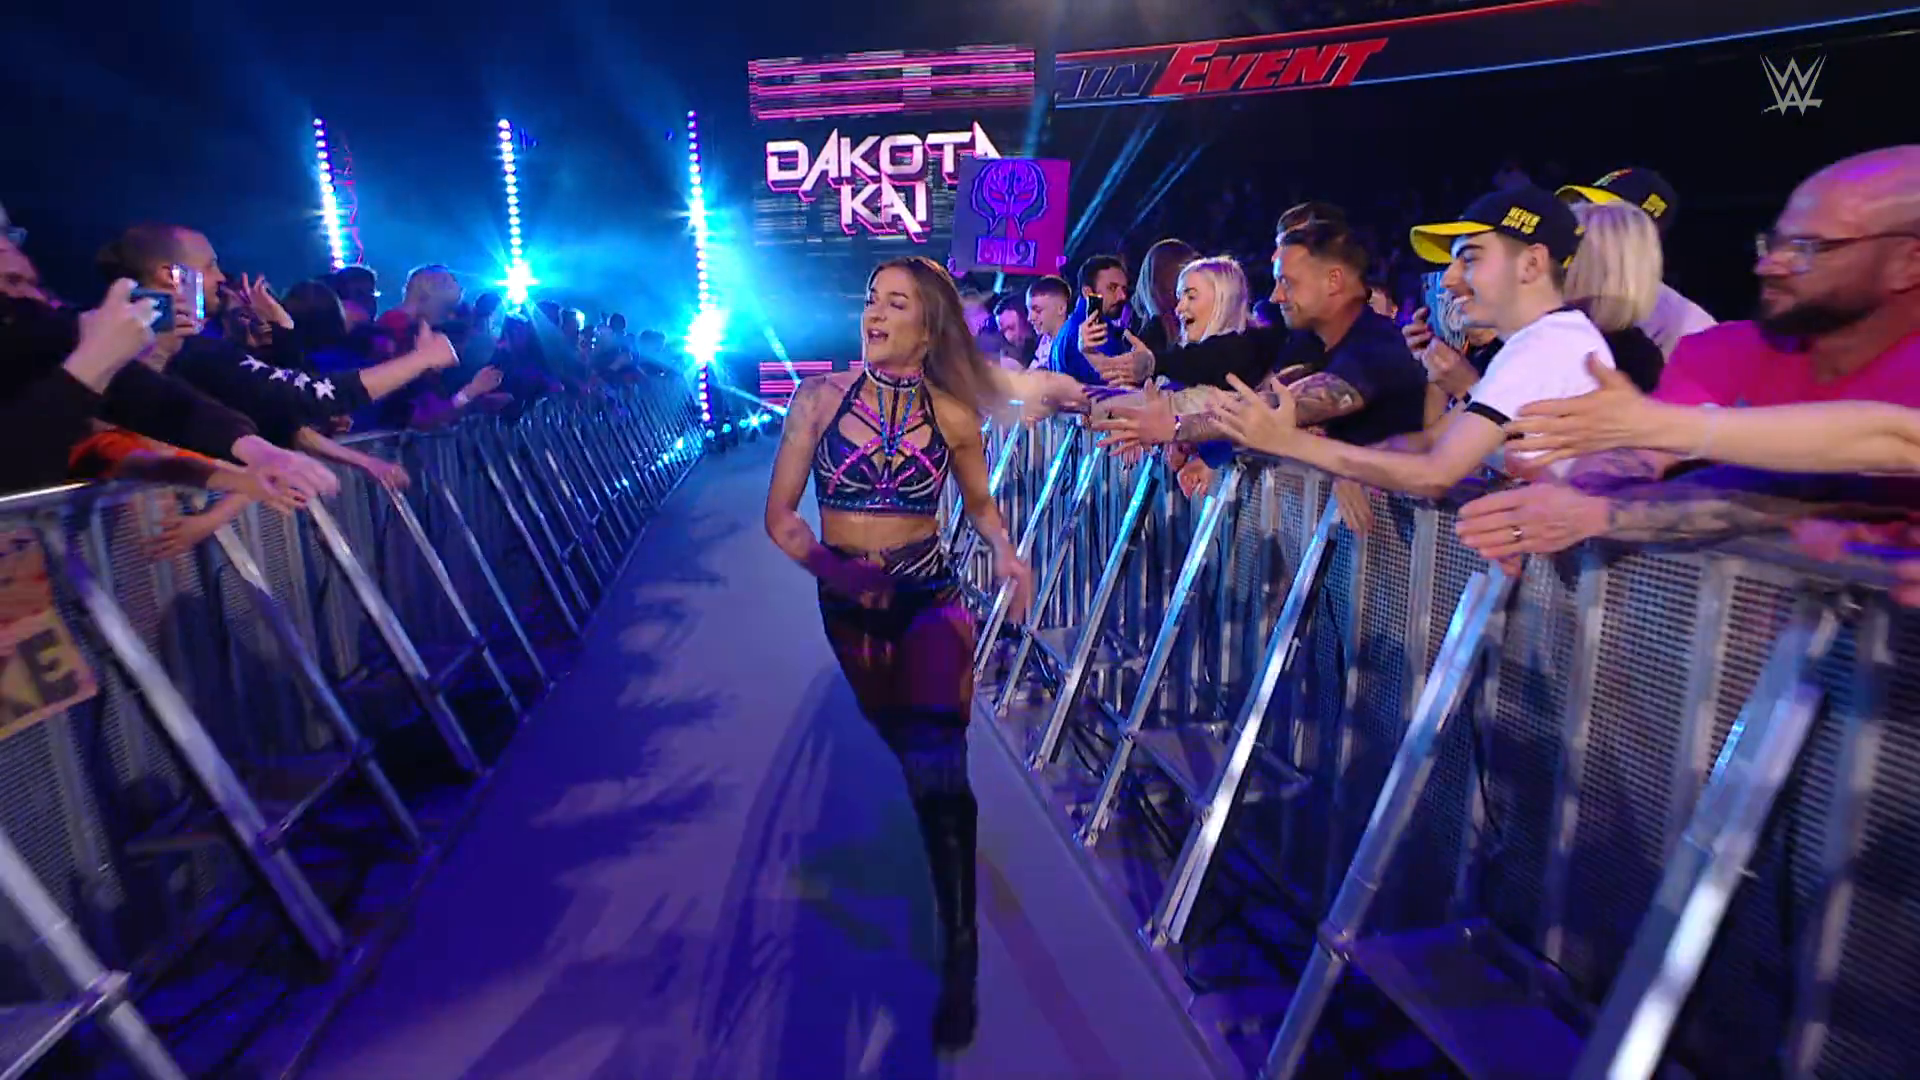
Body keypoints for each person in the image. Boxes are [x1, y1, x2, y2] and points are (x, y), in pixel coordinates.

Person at [763, 255, 1079, 1053]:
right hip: (848, 609)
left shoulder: (953, 412)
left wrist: (1005, 551)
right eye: (871, 299)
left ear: (928, 326)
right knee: (907, 749)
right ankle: (940, 863)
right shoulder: (818, 399)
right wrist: (841, 574)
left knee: (940, 766)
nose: (873, 313)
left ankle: (960, 948)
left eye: (895, 303)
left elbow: (978, 502)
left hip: (931, 598)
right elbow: (782, 520)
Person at [1456, 145, 1920, 562]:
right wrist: (1550, 511)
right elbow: (1634, 458)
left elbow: (1883, 444)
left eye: (1808, 249)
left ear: (1908, 263)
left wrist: (1659, 439)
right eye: (1773, 243)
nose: (1768, 265)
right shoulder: (1724, 349)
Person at [1208, 187, 1616, 495]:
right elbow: (1430, 441)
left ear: (1531, 264)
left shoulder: (1548, 347)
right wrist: (1354, 469)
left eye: (1470, 258)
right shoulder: (1540, 344)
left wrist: (1290, 442)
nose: (1449, 280)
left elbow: (1435, 473)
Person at [1558, 167, 1715, 357]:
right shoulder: (1552, 281)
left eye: (1599, 215)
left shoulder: (1685, 325)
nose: (1579, 220)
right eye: (1580, 206)